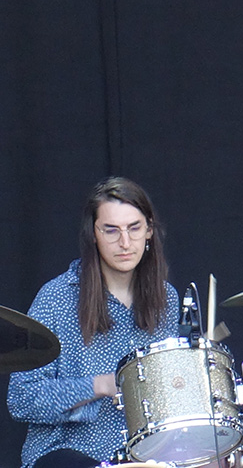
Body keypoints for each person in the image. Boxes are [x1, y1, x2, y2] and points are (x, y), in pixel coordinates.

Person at [7, 177, 179, 468]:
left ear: (149, 231)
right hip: (63, 455)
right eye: (111, 231)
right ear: (93, 234)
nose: (125, 242)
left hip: (145, 457)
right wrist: (100, 385)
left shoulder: (167, 300)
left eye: (134, 228)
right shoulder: (58, 298)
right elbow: (22, 398)